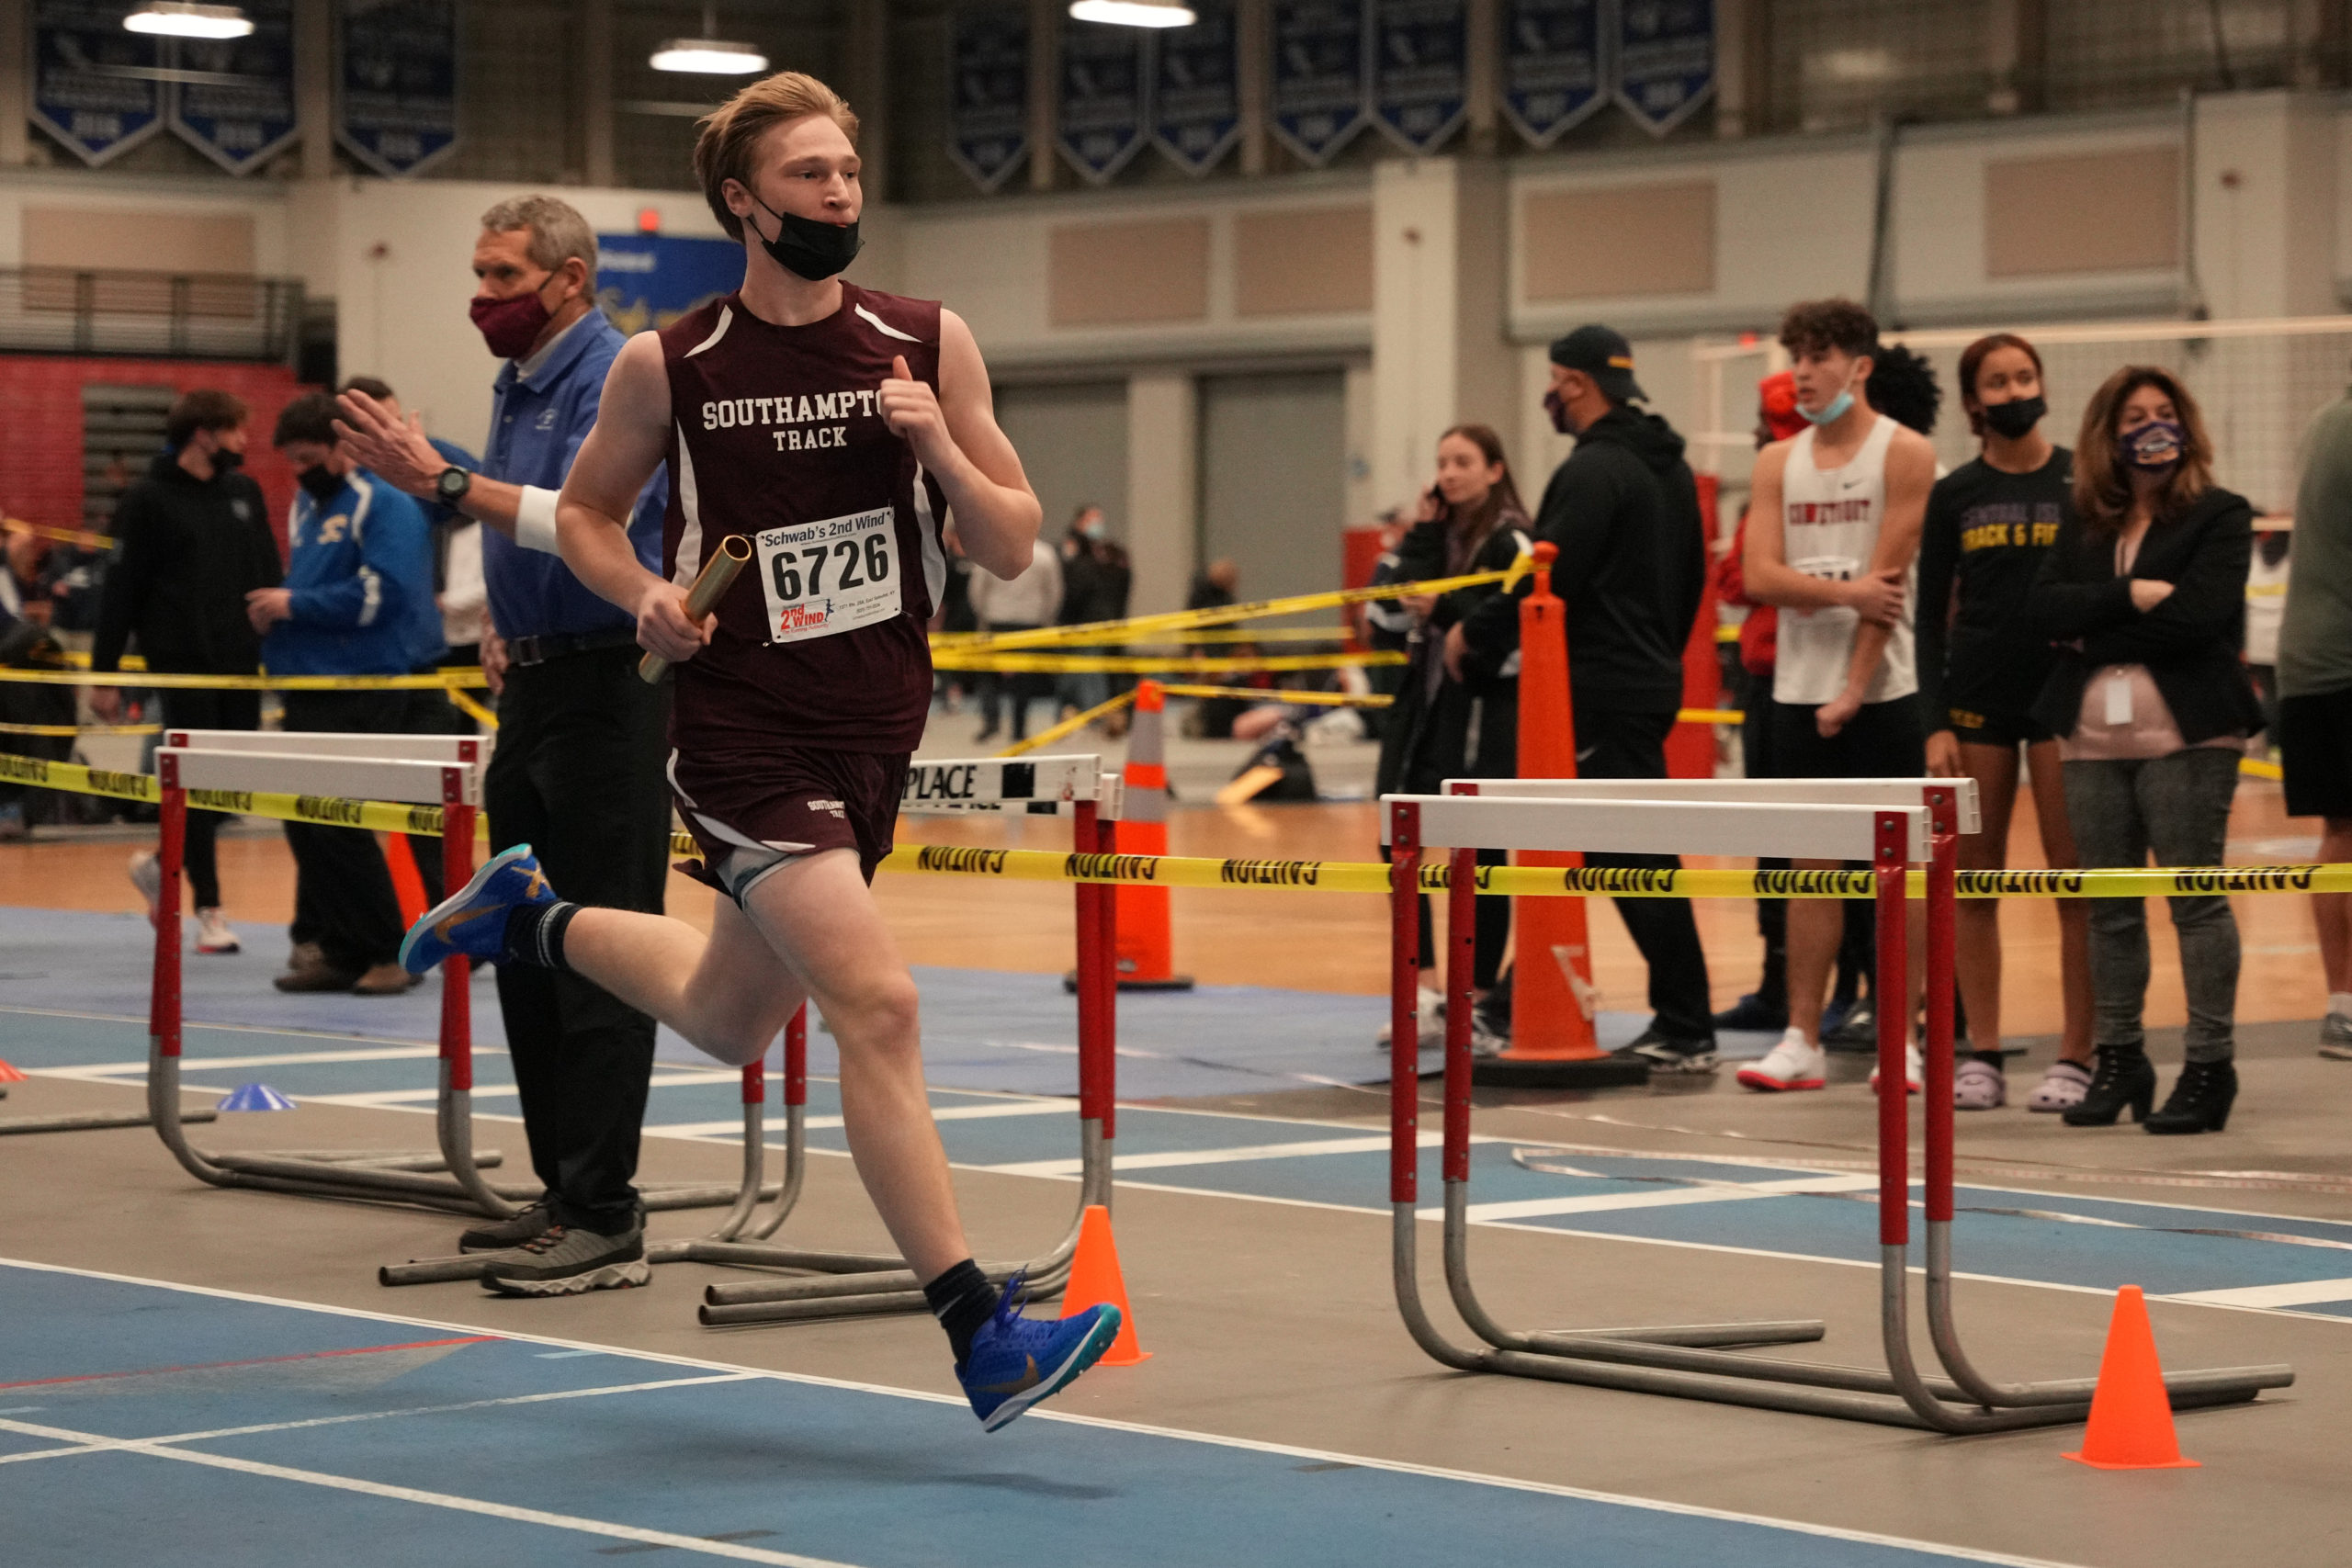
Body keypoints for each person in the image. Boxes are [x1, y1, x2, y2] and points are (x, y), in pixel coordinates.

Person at [397, 71, 1119, 1428]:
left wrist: (940, 456)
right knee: (882, 1005)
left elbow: (1015, 544)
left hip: (874, 728)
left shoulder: (925, 339)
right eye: (809, 176)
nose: (839, 193)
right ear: (743, 200)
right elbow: (591, 517)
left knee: (731, 1018)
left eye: (848, 172)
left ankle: (533, 918)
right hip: (738, 729)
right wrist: (644, 598)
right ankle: (983, 1332)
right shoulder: (670, 361)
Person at [334, 195, 675, 1272]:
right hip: (530, 690)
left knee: (602, 950)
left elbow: (580, 515)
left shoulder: (621, 373)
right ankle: (561, 1191)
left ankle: (606, 1206)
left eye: (501, 279)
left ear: (568, 280)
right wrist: (502, 626)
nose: (481, 298)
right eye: (476, 276)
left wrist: (437, 478)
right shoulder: (516, 378)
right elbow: (519, 533)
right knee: (521, 942)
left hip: (612, 689)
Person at [1456, 326, 1715, 1072]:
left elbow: (1548, 578)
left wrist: (1473, 635)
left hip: (1601, 685)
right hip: (1648, 676)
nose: (1550, 398)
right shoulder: (1669, 470)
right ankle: (1515, 997)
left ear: (1573, 383)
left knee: (1626, 850)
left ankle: (1687, 1022)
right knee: (1590, 842)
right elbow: (1691, 580)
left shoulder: (1594, 470)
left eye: (1554, 383)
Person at [2030, 367, 2258, 1134]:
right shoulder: (2086, 518)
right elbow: (2042, 608)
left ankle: (2208, 1064)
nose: (2153, 426)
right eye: (2137, 415)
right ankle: (2119, 1058)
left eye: (2166, 413)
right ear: (2110, 433)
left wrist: (2088, 630)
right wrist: (2128, 595)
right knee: (2109, 910)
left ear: (2186, 425)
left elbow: (2198, 620)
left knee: (2195, 902)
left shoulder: (2221, 515)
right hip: (2089, 737)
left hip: (2188, 736)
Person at [1738, 299, 1938, 1094]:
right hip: (1794, 689)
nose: (1803, 373)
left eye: (1819, 357)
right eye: (1797, 357)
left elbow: (1888, 592)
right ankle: (1801, 1038)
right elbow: (1758, 577)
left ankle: (1904, 1038)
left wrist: (1854, 685)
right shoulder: (1775, 464)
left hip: (1886, 690)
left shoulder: (1906, 453)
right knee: (1808, 868)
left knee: (1902, 870)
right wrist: (1846, 591)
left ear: (1859, 366)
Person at [1918, 333, 2096, 1112]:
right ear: (1973, 403)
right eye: (1998, 380)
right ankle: (1980, 1052)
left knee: (2074, 880)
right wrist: (1933, 720)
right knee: (1973, 881)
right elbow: (1926, 620)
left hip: (2065, 698)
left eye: (2026, 375)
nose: (2015, 389)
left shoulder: (2084, 481)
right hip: (1977, 702)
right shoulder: (1954, 492)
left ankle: (2077, 1054)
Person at [245, 392, 442, 994]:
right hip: (304, 684)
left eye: (309, 457)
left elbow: (385, 593)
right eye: (291, 460)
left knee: (342, 825)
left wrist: (292, 604)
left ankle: (388, 950)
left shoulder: (385, 505)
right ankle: (339, 946)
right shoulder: (306, 506)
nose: (299, 470)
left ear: (339, 449)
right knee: (304, 825)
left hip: (362, 685)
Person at [90, 390, 281, 950]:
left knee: (232, 785)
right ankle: (210, 911)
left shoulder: (244, 492)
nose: (245, 442)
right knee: (196, 784)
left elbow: (267, 568)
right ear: (204, 433)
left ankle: (158, 862)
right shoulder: (147, 499)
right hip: (181, 663)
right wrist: (105, 674)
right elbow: (119, 590)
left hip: (239, 660)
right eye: (236, 431)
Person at [1374, 426, 1533, 1053]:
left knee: (1481, 855)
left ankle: (1479, 997)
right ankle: (1424, 989)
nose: (1450, 473)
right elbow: (1386, 613)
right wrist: (1420, 530)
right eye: (1442, 462)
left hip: (1484, 714)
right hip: (1423, 712)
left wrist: (1441, 612)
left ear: (1495, 469)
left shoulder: (1511, 540)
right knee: (1400, 841)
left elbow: (1508, 632)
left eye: (1463, 461)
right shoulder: (1436, 536)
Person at [1711, 372, 1811, 1036]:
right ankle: (1785, 987)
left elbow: (1742, 575)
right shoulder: (1778, 481)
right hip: (1768, 675)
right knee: (1782, 846)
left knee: (1802, 847)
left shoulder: (1789, 481)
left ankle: (1801, 990)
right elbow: (1736, 577)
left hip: (1792, 678)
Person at [2280, 374, 2352, 1060]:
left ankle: (2342, 1006)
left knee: (2340, 832)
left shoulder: (2328, 418)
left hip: (2310, 664)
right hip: (2342, 664)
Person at [967, 531, 1061, 743]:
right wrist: (1046, 619)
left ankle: (991, 723)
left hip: (996, 619)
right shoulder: (1045, 554)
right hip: (1030, 623)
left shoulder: (989, 549)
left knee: (988, 676)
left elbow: (976, 589)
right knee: (1024, 679)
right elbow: (1054, 591)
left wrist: (983, 616)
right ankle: (1019, 728)